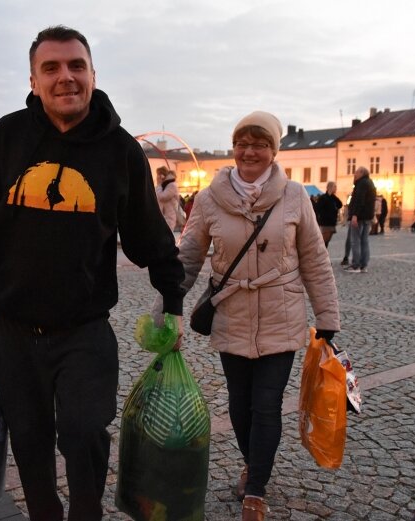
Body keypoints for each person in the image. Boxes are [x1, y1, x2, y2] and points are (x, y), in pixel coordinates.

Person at [0, 26, 185, 520]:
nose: (66, 77)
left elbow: (152, 237)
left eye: (76, 66)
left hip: (83, 328)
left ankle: (86, 512)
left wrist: (172, 304)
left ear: (92, 75)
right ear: (35, 80)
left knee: (84, 431)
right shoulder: (8, 135)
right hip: (11, 329)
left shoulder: (121, 150)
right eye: (52, 68)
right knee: (29, 438)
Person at [173, 111, 340, 519]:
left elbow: (315, 260)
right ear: (234, 148)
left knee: (266, 405)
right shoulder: (210, 199)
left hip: (281, 316)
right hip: (232, 312)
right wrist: (165, 307)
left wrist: (327, 316)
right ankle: (253, 462)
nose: (250, 151)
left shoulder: (295, 195)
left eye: (260, 144)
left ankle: (257, 490)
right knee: (239, 404)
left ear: (273, 150)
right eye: (242, 143)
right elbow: (190, 256)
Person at [344, 166, 376, 273]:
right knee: (364, 241)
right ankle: (364, 265)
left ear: (362, 173)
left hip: (360, 217)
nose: (355, 173)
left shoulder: (361, 184)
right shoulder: (370, 183)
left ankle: (356, 265)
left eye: (356, 172)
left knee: (355, 241)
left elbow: (359, 200)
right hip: (367, 216)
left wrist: (354, 215)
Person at [314, 181, 342, 248]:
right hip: (325, 223)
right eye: (335, 187)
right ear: (331, 187)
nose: (336, 189)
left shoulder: (333, 198)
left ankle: (323, 255)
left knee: (327, 242)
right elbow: (318, 209)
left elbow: (340, 204)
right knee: (323, 242)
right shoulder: (323, 198)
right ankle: (321, 256)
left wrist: (333, 195)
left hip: (332, 223)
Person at [155, 166, 180, 232]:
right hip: (163, 216)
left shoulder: (171, 185)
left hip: (168, 217)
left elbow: (162, 197)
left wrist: (158, 185)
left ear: (162, 175)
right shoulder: (165, 185)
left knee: (166, 238)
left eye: (158, 175)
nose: (157, 177)